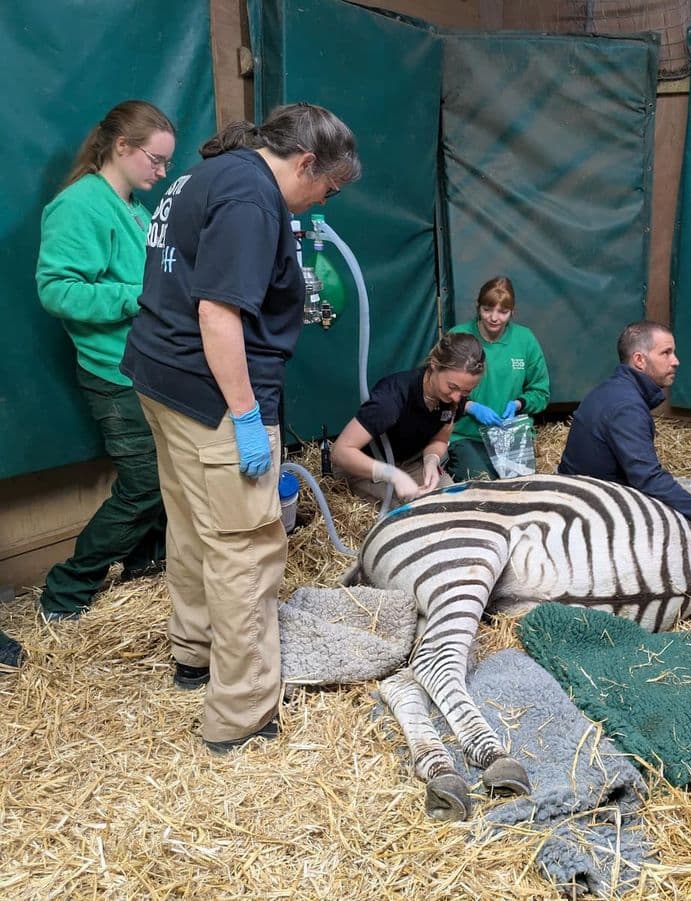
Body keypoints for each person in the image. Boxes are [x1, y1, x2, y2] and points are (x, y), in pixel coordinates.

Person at [120, 102, 361, 753]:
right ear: (306, 161)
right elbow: (218, 316)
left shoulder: (208, 173)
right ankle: (242, 715)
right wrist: (249, 418)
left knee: (195, 526)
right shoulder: (255, 199)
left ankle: (192, 654)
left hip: (160, 378)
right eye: (326, 188)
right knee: (248, 550)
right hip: (215, 397)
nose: (320, 204)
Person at [35, 100, 176, 620]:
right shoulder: (79, 205)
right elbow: (57, 290)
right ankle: (66, 590)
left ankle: (144, 563)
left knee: (167, 475)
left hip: (146, 366)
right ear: (122, 147)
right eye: (155, 160)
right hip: (111, 371)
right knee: (145, 485)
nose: (162, 172)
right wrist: (136, 295)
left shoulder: (133, 208)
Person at [559, 320, 691, 538]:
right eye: (666, 353)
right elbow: (648, 479)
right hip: (592, 505)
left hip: (581, 488)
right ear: (639, 360)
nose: (675, 361)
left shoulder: (613, 389)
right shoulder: (627, 407)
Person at [332, 332, 485, 506]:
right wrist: (391, 474)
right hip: (366, 467)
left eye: (466, 391)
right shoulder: (392, 400)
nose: (458, 397)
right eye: (452, 387)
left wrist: (432, 459)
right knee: (410, 512)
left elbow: (440, 439)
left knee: (453, 502)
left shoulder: (453, 399)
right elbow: (340, 453)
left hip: (411, 462)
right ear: (434, 365)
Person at [446, 276, 550, 480]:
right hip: (467, 434)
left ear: (512, 311)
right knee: (484, 484)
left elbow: (541, 393)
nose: (494, 318)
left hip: (510, 435)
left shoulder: (525, 340)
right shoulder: (459, 336)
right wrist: (468, 406)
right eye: (487, 310)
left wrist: (519, 403)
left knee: (518, 486)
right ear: (478, 307)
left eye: (503, 312)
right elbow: (437, 389)